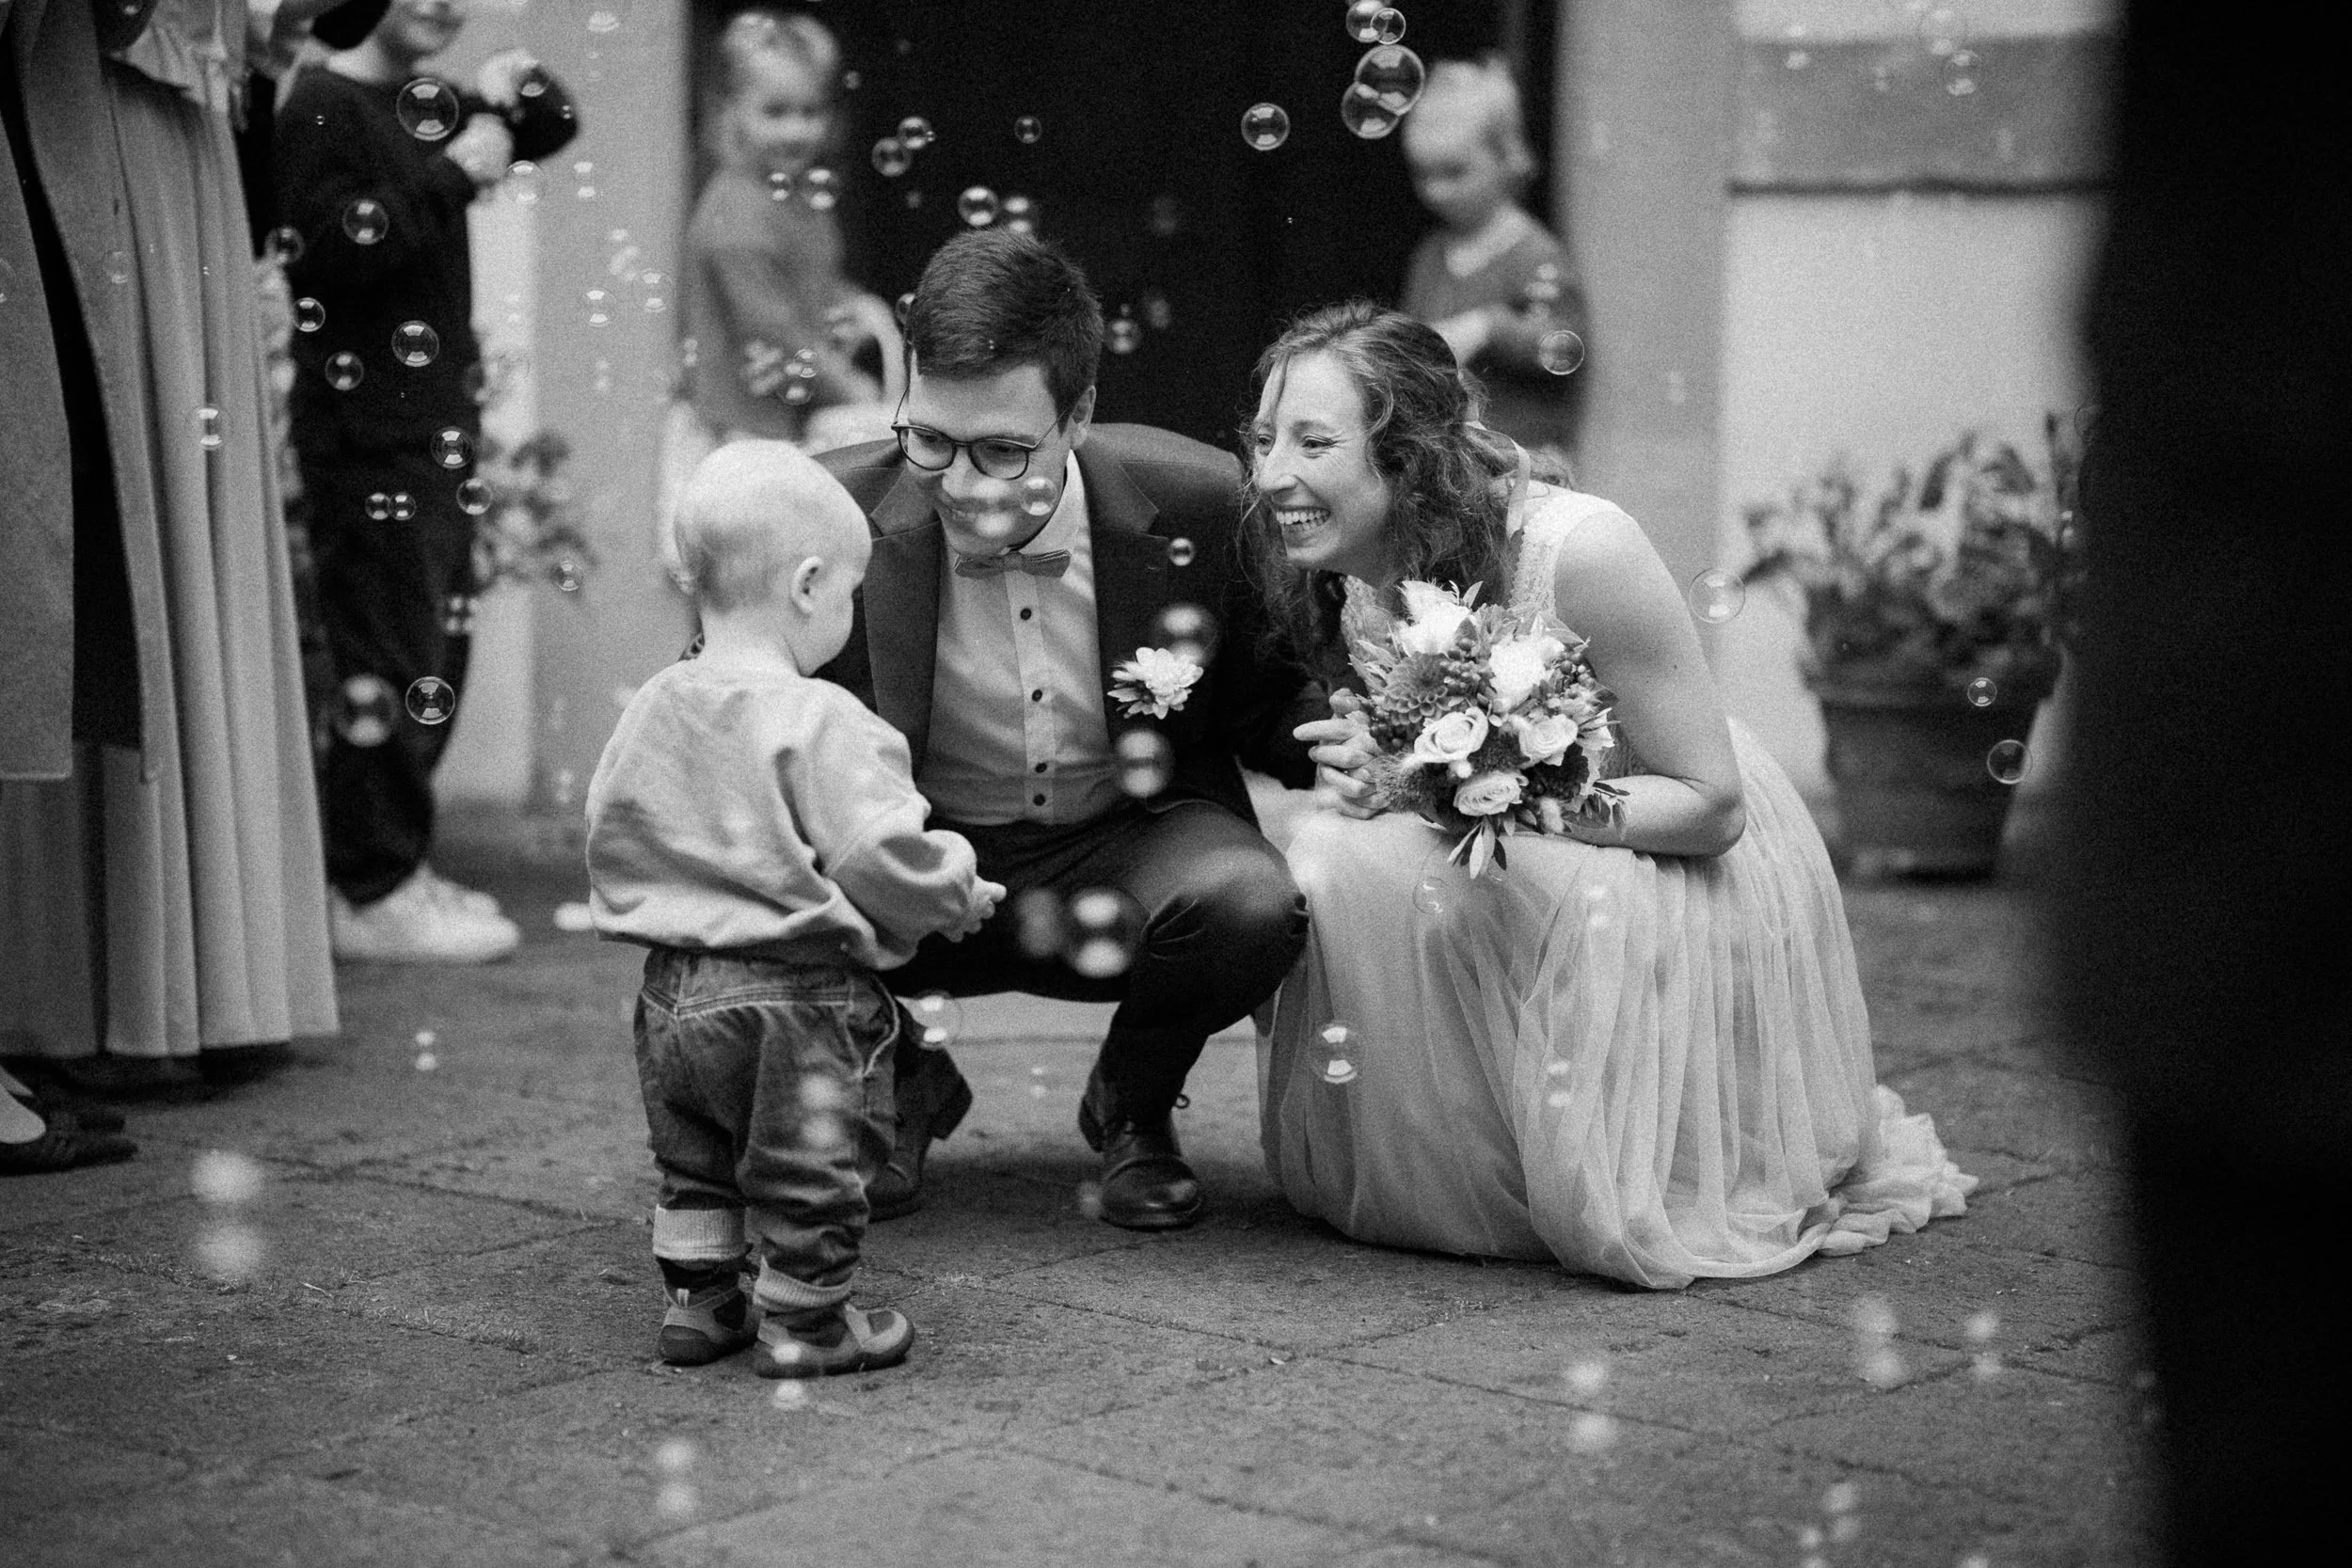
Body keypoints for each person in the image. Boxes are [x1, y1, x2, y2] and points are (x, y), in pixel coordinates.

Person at [1248, 303, 1975, 1287]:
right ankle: (1476, 1172)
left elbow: (1712, 807)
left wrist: (1494, 794)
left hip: (1659, 849)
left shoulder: (1579, 550)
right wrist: (1393, 767)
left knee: (1472, 872)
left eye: (1311, 441)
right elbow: (1428, 770)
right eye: (1264, 439)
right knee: (1327, 851)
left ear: (1407, 454)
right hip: (1513, 828)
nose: (1270, 475)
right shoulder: (1366, 565)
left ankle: (1599, 1161)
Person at [815, 229, 1323, 1231]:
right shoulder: (826, 513)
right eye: (929, 439)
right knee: (760, 879)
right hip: (914, 848)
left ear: (1079, 414)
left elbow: (1270, 700)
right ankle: (901, 1076)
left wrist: (1353, 737)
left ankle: (1131, 1103)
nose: (960, 483)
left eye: (1004, 449)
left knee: (1254, 902)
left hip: (1126, 842)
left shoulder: (1201, 501)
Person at [587, 441, 1001, 1377]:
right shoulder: (824, 719)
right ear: (810, 583)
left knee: (695, 1158)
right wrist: (955, 885)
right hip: (798, 997)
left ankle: (700, 1305)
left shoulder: (657, 701)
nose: (852, 612)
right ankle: (810, 1323)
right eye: (852, 592)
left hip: (672, 989)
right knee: (810, 1165)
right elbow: (880, 854)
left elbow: (611, 825)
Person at [3, 0, 343, 1101]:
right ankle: (80, 984)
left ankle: (191, 974)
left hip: (188, 140)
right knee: (108, 509)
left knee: (181, 512)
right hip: (86, 116)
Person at [275, 0, 577, 964]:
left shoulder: (428, 100)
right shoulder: (319, 102)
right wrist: (455, 173)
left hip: (433, 426)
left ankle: (398, 867)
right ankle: (369, 888)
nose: (446, 4)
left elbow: (555, 123)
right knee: (389, 657)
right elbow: (329, 254)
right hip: (366, 435)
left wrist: (514, 86)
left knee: (431, 653)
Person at [680, 8, 896, 451]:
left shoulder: (800, 199)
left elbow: (813, 284)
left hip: (787, 427)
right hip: (738, 431)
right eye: (775, 112)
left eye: (811, 111)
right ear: (732, 109)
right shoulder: (735, 213)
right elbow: (775, 332)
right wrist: (852, 387)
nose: (796, 131)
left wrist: (851, 303)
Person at [1398, 55, 1587, 466]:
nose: (1436, 192)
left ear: (1507, 158)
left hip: (1526, 466)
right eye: (1423, 175)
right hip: (1453, 465)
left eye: (1454, 173)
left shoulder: (1534, 253)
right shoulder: (1431, 256)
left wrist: (1489, 326)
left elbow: (1565, 344)